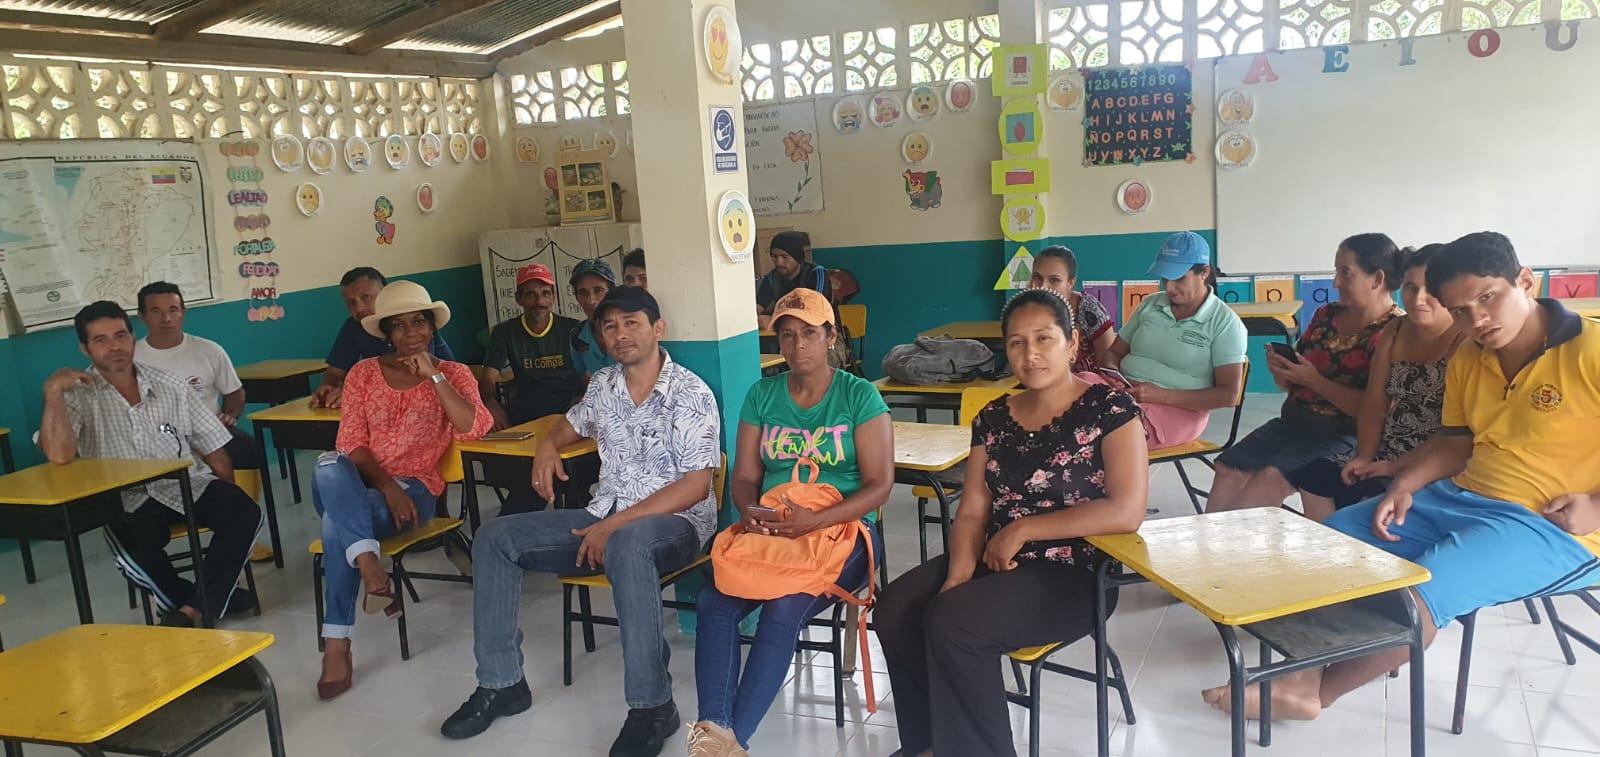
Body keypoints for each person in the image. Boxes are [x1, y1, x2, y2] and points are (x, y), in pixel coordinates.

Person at [1202, 231, 1600, 722]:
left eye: (1488, 297)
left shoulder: (1591, 349)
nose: (1477, 320)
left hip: (1549, 526)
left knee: (1417, 591)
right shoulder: (1469, 356)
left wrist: (1595, 506)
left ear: (1524, 281)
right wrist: (1404, 485)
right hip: (1459, 496)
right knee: (1330, 544)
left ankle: (1318, 693)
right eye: (1460, 311)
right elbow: (1454, 443)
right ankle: (1300, 677)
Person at [442, 286, 721, 757]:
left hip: (676, 524)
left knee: (628, 544)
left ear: (657, 329)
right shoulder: (604, 385)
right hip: (601, 515)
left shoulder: (689, 393)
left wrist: (615, 526)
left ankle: (653, 707)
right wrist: (547, 447)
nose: (620, 334)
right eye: (609, 326)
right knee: (493, 537)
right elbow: (569, 424)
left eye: (631, 323)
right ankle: (502, 683)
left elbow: (695, 486)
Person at [874, 288, 1149, 757]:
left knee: (953, 622)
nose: (1031, 353)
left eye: (1044, 338)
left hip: (1078, 572)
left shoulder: (1111, 410)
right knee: (896, 608)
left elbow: (1126, 511)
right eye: (1017, 343)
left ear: (1071, 342)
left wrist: (1022, 529)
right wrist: (958, 575)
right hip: (995, 559)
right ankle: (928, 746)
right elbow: (973, 510)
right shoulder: (994, 417)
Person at [686, 288, 893, 755]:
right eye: (786, 335)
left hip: (845, 532)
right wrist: (751, 513)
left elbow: (880, 486)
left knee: (782, 610)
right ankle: (716, 735)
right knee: (714, 602)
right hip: (775, 529)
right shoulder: (762, 394)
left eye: (809, 333)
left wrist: (816, 520)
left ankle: (727, 742)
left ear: (831, 336)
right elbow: (745, 478)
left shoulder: (858, 395)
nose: (797, 345)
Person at [312, 281, 490, 700]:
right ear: (387, 333)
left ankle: (337, 644)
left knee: (335, 523)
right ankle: (370, 564)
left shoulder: (456, 374)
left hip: (416, 491)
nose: (411, 333)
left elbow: (473, 427)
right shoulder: (362, 374)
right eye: (399, 325)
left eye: (419, 322)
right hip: (367, 484)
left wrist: (435, 377)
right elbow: (352, 444)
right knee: (327, 464)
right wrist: (388, 486)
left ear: (432, 327)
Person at [37, 301, 262, 627]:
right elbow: (59, 454)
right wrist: (52, 393)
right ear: (85, 348)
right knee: (136, 553)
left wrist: (227, 493)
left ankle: (191, 610)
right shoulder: (75, 395)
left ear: (133, 337)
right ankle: (203, 601)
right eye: (100, 340)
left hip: (185, 483)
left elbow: (212, 446)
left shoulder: (170, 384)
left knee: (244, 511)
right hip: (126, 497)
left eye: (120, 335)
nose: (114, 346)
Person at [1207, 233, 1403, 511]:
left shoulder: (1394, 332)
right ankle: (1213, 538)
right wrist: (1284, 373)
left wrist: (1314, 381)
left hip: (1346, 435)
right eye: (1336, 272)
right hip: (1294, 422)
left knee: (1269, 480)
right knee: (1227, 467)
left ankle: (1237, 539)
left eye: (1345, 273)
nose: (1336, 283)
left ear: (1378, 279)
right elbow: (1295, 384)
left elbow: (1376, 411)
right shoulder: (1327, 315)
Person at [1287, 245, 1466, 520]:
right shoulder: (1396, 329)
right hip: (1390, 448)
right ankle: (1329, 545)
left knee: (1366, 497)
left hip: (1436, 457)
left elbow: (1455, 436)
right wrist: (1365, 456)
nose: (1418, 298)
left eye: (1431, 289)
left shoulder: (1465, 339)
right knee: (1315, 479)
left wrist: (1395, 466)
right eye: (1410, 287)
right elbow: (1374, 404)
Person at [135, 281, 275, 562]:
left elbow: (235, 393)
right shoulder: (133, 358)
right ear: (142, 317)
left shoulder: (208, 350)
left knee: (246, 448)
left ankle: (246, 533)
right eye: (156, 311)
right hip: (159, 443)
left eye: (173, 310)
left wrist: (230, 415)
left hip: (210, 434)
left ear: (183, 312)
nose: (166, 318)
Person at [1097, 232, 1248, 450]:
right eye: (1164, 278)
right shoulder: (1150, 304)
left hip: (1179, 411)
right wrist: (1112, 374)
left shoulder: (1224, 322)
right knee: (1069, 393)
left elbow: (1228, 395)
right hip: (1125, 393)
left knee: (1108, 430)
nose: (1168, 287)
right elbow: (1114, 352)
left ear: (1204, 272)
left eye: (1178, 278)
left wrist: (1161, 396)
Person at [480, 263, 592, 516]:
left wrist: (583, 398)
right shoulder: (505, 332)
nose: (539, 301)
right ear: (518, 298)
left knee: (575, 468)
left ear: (554, 297)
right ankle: (530, 498)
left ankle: (574, 500)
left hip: (567, 408)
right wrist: (491, 404)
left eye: (545, 293)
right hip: (529, 411)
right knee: (495, 436)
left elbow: (589, 377)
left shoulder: (573, 329)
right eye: (530, 294)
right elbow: (487, 379)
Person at [311, 267, 456, 408]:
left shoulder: (412, 328)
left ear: (385, 294)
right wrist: (329, 388)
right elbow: (335, 372)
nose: (359, 308)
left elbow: (413, 380)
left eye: (365, 297)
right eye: (351, 303)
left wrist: (355, 394)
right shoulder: (354, 326)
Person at [1028, 245, 1118, 376]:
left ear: (1070, 283)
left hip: (1087, 383)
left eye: (1054, 280)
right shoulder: (1025, 309)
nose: (1043, 286)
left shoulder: (1088, 308)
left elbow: (1108, 364)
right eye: (1037, 277)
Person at [755, 231, 831, 330]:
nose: (779, 262)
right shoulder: (771, 278)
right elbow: (759, 306)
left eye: (785, 257)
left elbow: (815, 311)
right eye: (774, 256)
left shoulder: (816, 274)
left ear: (797, 258)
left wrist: (774, 321)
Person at [569, 258, 618, 378]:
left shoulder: (632, 330)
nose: (591, 301)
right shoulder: (577, 337)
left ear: (612, 293)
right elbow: (584, 378)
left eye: (598, 291)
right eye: (583, 292)